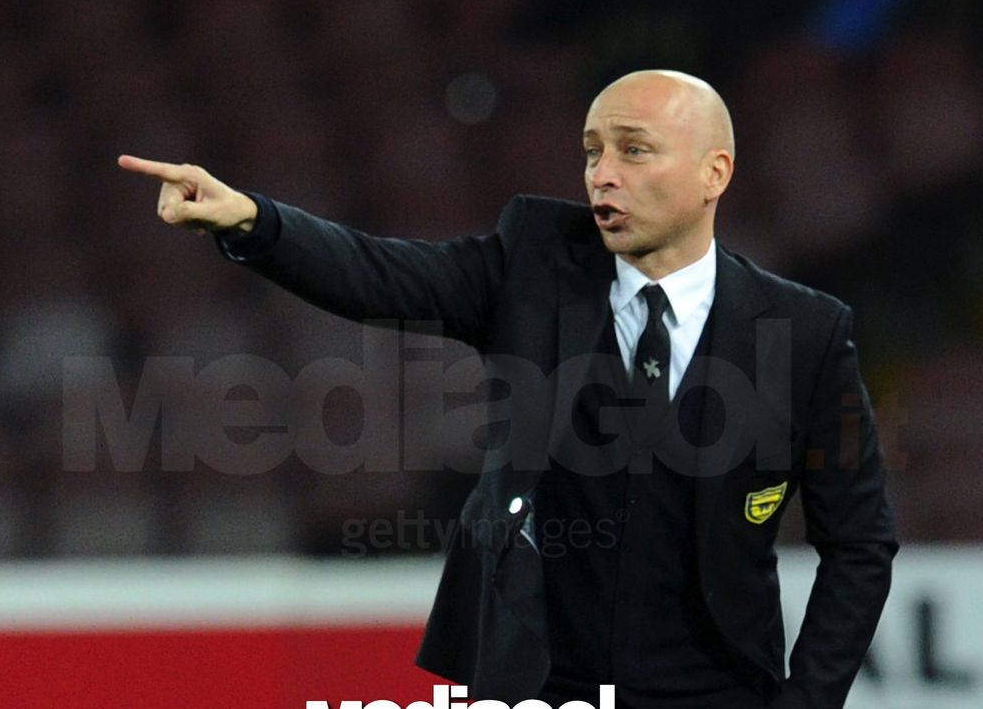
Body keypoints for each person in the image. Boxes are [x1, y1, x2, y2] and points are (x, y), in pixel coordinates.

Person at [119, 70, 897, 709]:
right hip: (539, 690)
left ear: (713, 173)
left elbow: (859, 543)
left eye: (634, 150)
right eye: (593, 151)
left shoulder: (805, 332)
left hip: (720, 691)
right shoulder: (533, 259)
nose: (604, 174)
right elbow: (382, 275)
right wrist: (253, 221)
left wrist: (807, 702)